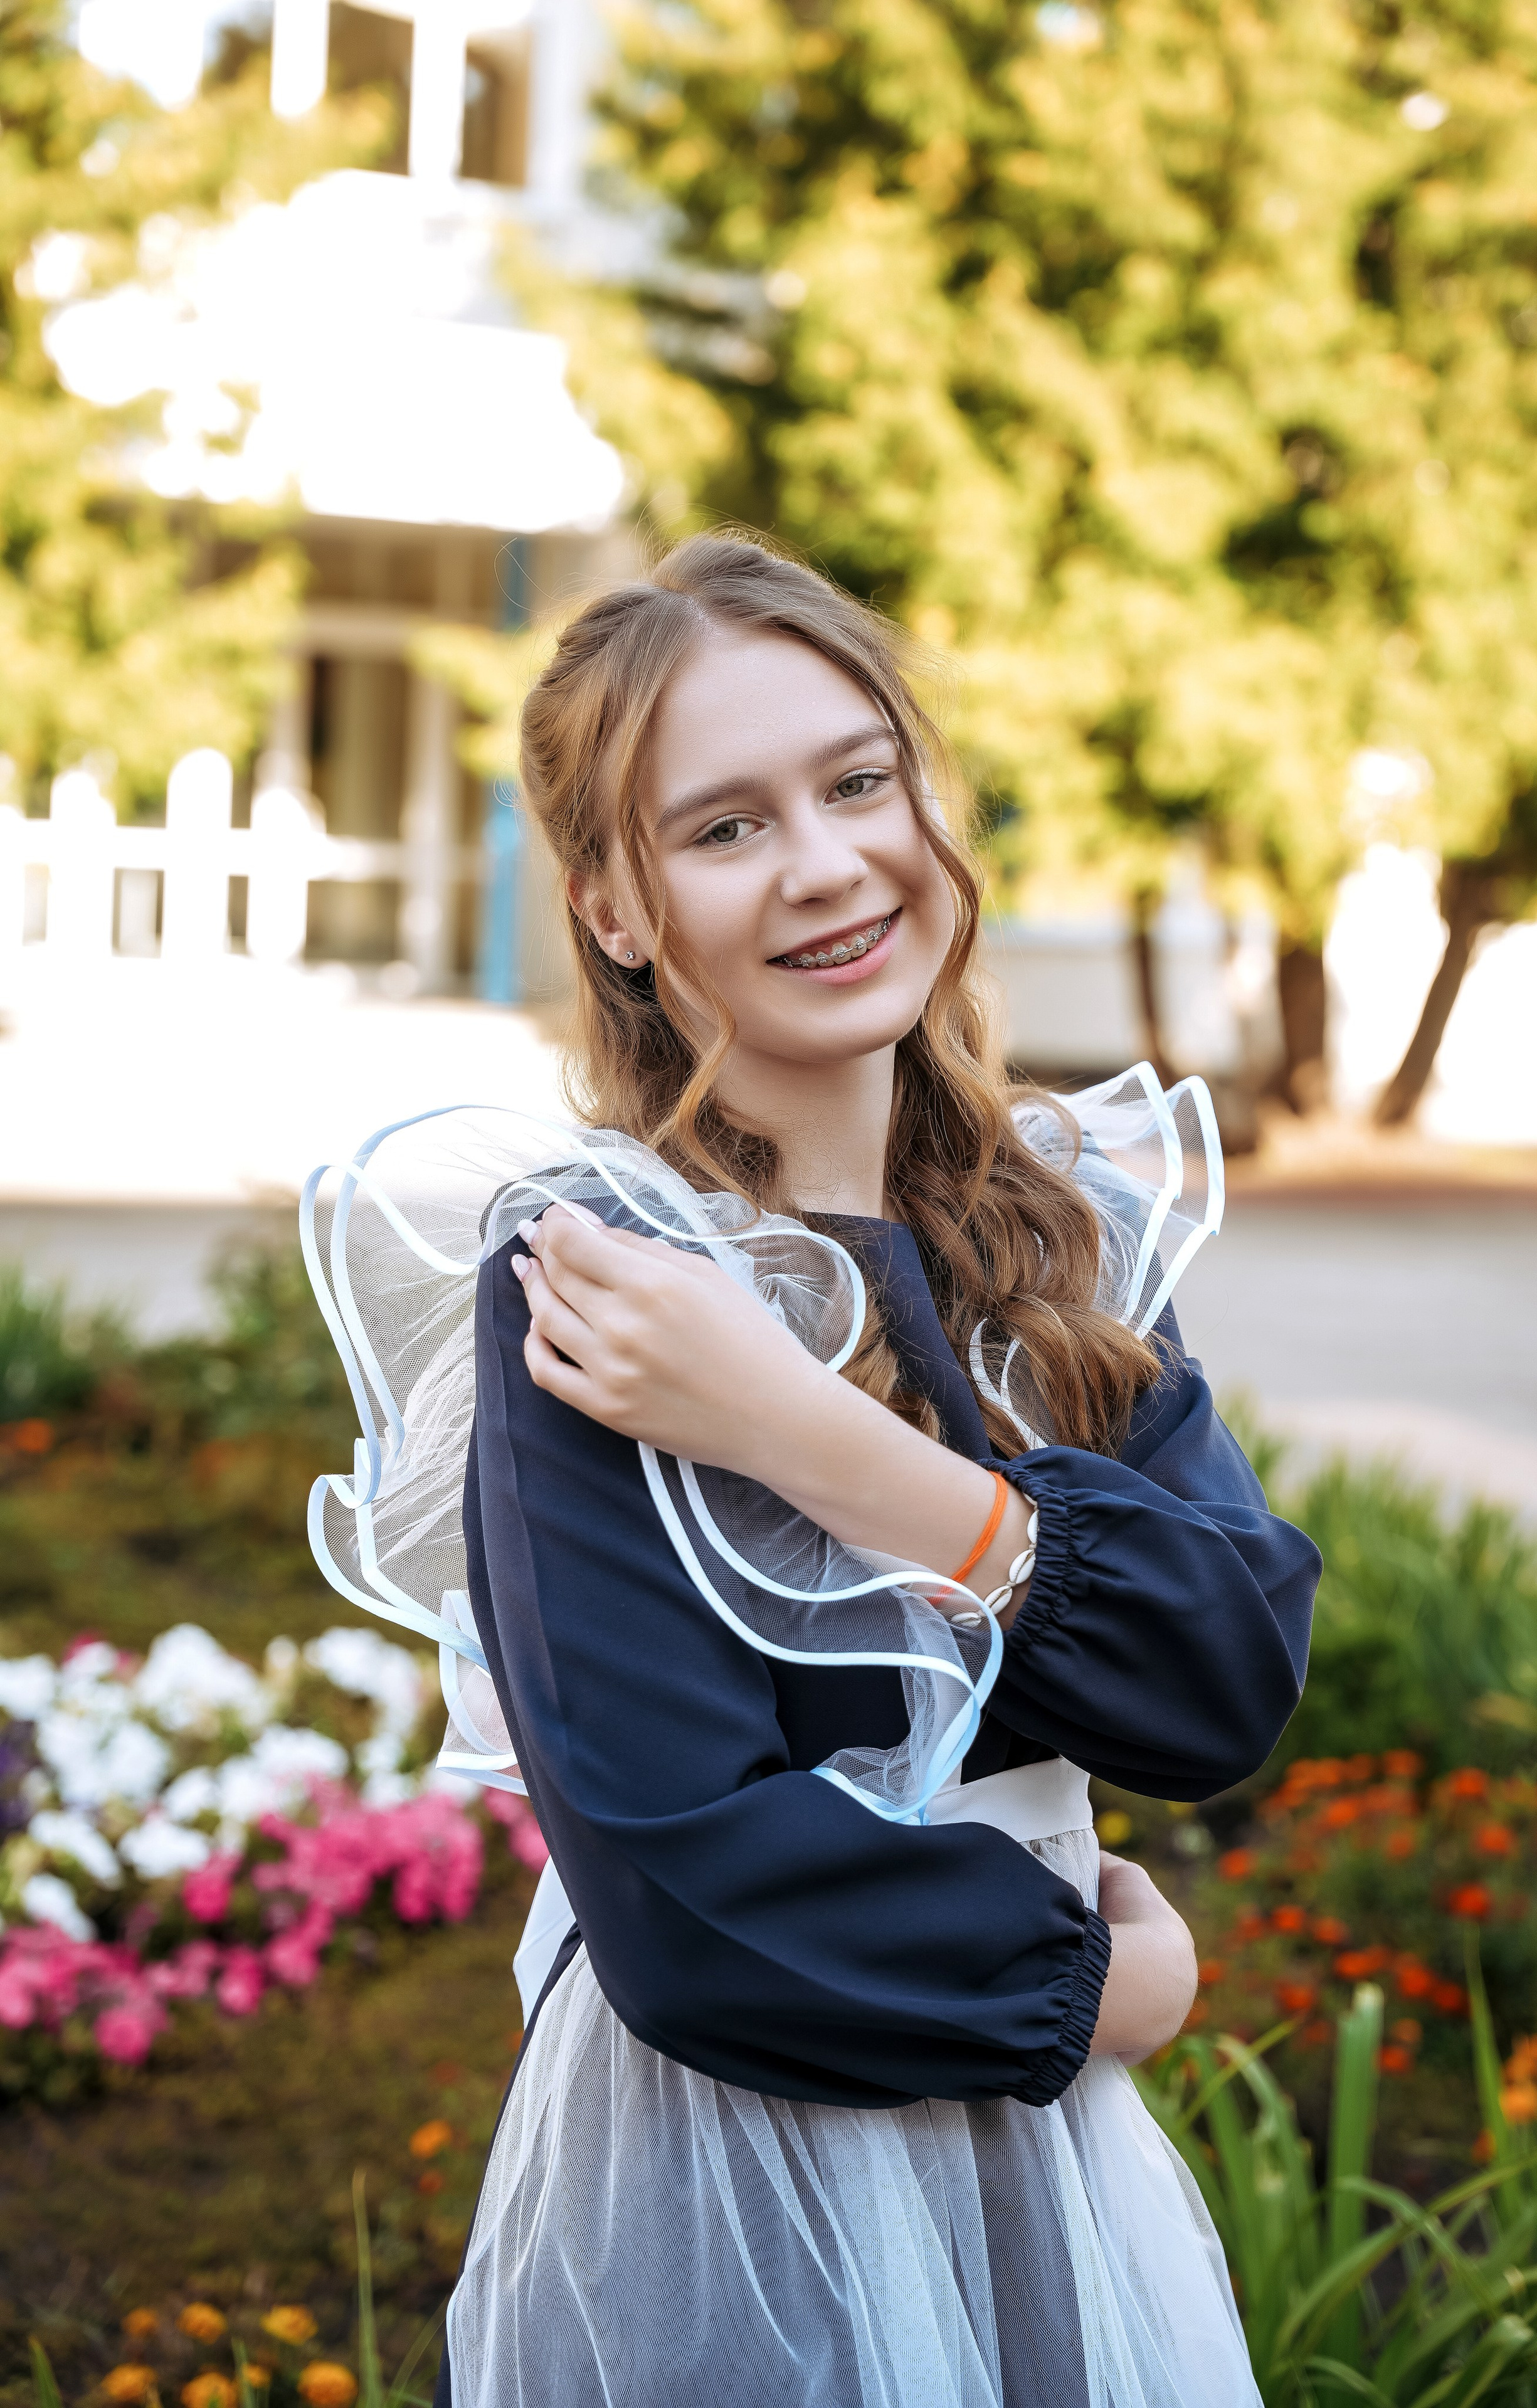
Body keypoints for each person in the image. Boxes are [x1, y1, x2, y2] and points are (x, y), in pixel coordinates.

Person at [305, 534, 1321, 2408]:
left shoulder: (1061, 1234)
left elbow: (1223, 1677)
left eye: (860, 782)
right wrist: (1101, 1986)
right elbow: (687, 1887)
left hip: (1053, 2168)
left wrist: (806, 1434)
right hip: (742, 2190)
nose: (828, 863)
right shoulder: (599, 1280)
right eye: (725, 828)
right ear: (616, 910)